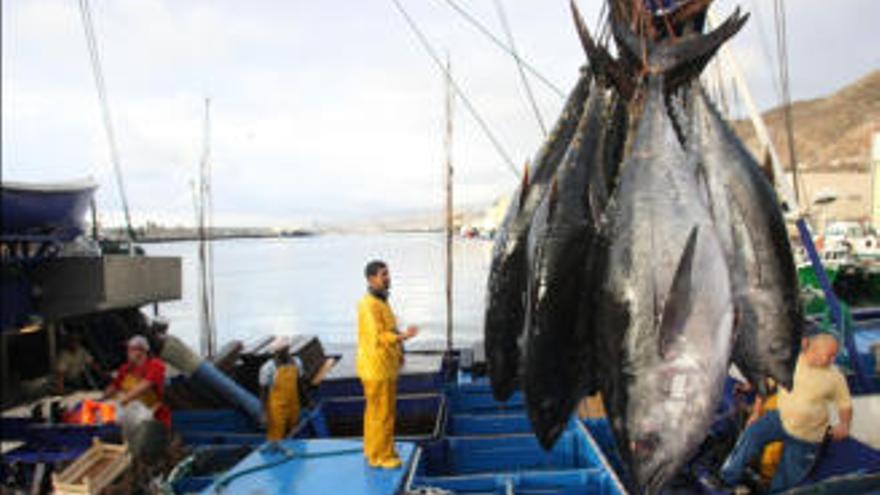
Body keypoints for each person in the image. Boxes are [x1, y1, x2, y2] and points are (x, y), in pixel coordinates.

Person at [720, 332, 853, 492]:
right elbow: (766, 385)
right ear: (814, 349)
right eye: (829, 355)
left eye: (834, 356)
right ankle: (727, 478)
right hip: (780, 418)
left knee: (788, 477)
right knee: (751, 434)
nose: (832, 360)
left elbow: (845, 405)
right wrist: (756, 413)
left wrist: (844, 424)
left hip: (808, 435)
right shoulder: (790, 363)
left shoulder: (835, 377)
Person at [357, 260, 418, 469]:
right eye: (383, 274)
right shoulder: (368, 305)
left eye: (388, 273)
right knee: (381, 414)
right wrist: (404, 337)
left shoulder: (381, 301)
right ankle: (380, 457)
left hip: (385, 366)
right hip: (377, 368)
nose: (387, 277)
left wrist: (399, 351)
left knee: (376, 412)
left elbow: (388, 328)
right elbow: (379, 337)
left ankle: (373, 448)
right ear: (371, 278)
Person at [102, 335, 171, 429]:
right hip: (129, 412)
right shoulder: (125, 368)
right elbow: (114, 386)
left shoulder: (156, 365)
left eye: (131, 350)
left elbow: (143, 387)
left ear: (142, 351)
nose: (127, 353)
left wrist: (120, 402)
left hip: (153, 417)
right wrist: (101, 399)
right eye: (128, 350)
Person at [258, 338, 304, 441]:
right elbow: (263, 393)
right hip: (277, 407)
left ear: (288, 350)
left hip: (294, 404)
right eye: (280, 352)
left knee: (294, 431)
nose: (284, 354)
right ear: (276, 352)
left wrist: (307, 402)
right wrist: (264, 414)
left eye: (285, 350)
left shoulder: (297, 362)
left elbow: (300, 384)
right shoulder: (267, 368)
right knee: (276, 435)